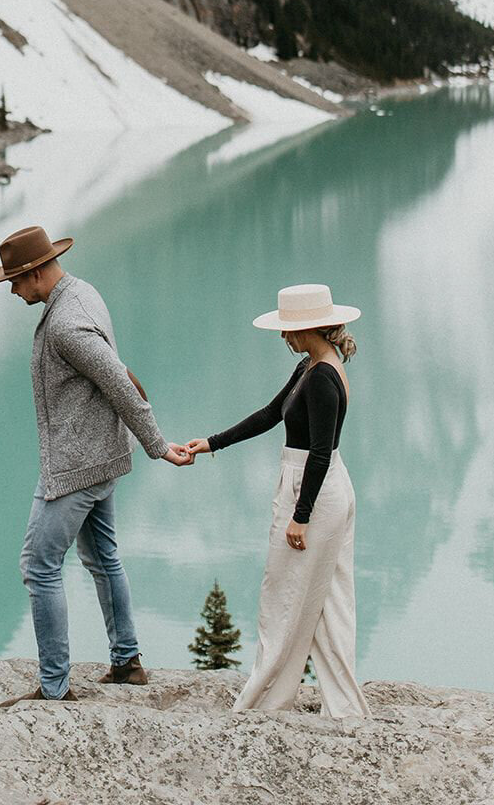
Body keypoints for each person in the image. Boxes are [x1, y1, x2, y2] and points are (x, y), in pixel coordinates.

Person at [0, 224, 192, 703]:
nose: (13, 291)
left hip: (76, 468)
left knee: (38, 565)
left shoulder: (65, 323)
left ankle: (55, 688)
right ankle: (127, 662)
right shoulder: (82, 293)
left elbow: (119, 384)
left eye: (15, 282)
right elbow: (118, 371)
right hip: (103, 459)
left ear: (36, 273)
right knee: (103, 558)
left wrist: (158, 445)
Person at [184, 282, 371, 720]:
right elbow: (271, 414)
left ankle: (264, 703)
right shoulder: (314, 366)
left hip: (313, 492)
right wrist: (211, 443)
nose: (283, 336)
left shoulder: (322, 377)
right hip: (322, 488)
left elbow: (320, 452)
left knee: (282, 600)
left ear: (307, 328)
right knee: (328, 601)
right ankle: (343, 708)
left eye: (288, 329)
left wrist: (300, 517)